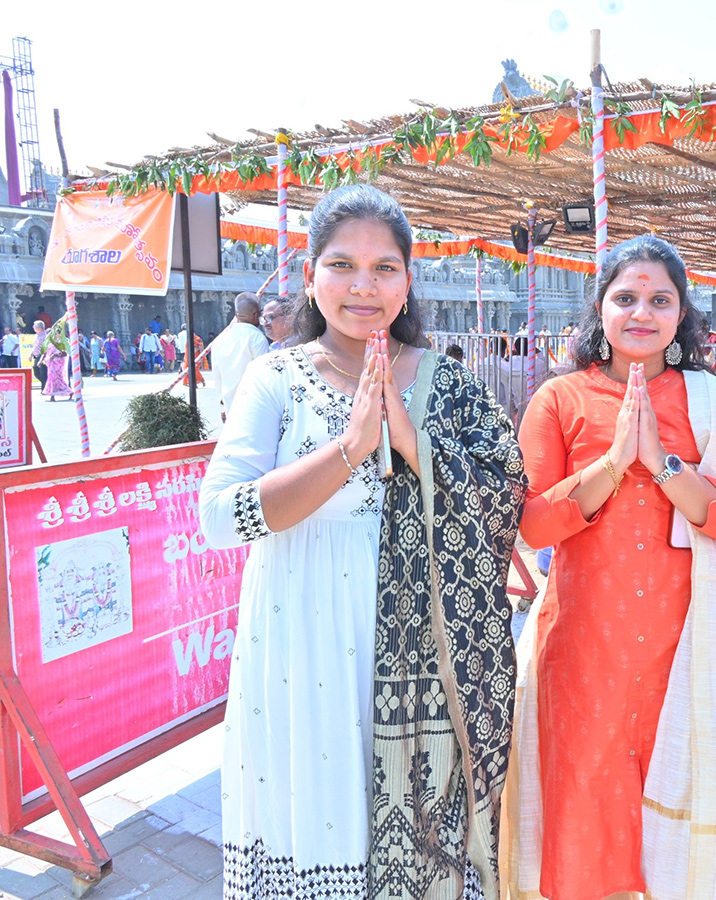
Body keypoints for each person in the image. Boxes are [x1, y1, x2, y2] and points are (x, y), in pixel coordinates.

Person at [199, 184, 524, 900]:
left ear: (408, 283)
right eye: (343, 265)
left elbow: (507, 495)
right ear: (311, 277)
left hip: (420, 657)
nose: (363, 286)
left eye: (385, 268)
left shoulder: (450, 384)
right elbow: (220, 517)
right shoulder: (273, 378)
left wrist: (412, 443)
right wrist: (351, 448)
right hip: (300, 646)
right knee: (317, 813)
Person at [513, 235, 716, 900]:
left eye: (660, 299)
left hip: (688, 646)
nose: (642, 313)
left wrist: (662, 465)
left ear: (683, 315)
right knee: (587, 813)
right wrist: (614, 460)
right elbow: (535, 523)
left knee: (682, 812)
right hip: (584, 650)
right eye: (625, 298)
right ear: (601, 309)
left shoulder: (715, 403)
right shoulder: (560, 399)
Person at [209, 293, 270, 422]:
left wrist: (222, 407)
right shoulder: (257, 338)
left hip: (230, 407)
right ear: (256, 315)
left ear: (236, 315)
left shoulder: (220, 340)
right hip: (254, 408)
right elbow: (264, 376)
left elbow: (217, 378)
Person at [40, 317, 72, 401]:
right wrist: (42, 360)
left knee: (57, 378)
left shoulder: (61, 343)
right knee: (51, 378)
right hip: (51, 363)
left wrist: (55, 356)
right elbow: (46, 352)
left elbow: (64, 353)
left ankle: (64, 392)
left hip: (58, 364)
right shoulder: (50, 343)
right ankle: (52, 394)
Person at [31, 320, 49, 391]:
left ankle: (44, 389)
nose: (33, 327)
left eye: (34, 326)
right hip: (36, 356)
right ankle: (47, 385)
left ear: (39, 327)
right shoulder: (36, 336)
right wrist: (31, 354)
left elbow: (45, 348)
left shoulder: (45, 336)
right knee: (36, 372)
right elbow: (35, 346)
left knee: (43, 373)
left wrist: (43, 358)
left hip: (42, 356)